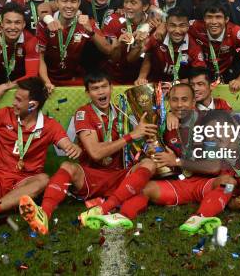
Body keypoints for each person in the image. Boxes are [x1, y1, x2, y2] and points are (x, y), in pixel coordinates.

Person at [18, 71, 158, 234]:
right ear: (88, 92)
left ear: (111, 88)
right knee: (68, 166)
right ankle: (44, 215)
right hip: (92, 177)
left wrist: (148, 144)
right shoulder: (83, 113)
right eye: (95, 88)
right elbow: (96, 153)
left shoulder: (123, 113)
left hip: (119, 176)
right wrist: (131, 136)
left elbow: (137, 148)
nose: (100, 92)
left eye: (104, 86)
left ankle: (104, 210)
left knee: (149, 164)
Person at [0, 77, 81, 232]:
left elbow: (65, 143)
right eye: (15, 98)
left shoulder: (50, 126)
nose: (14, 102)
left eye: (19, 100)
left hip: (24, 182)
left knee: (43, 179)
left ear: (32, 105)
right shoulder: (2, 115)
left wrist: (72, 147)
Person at [108, 84, 236, 235]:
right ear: (169, 103)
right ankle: (122, 216)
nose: (180, 104)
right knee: (144, 188)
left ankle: (200, 217)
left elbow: (214, 167)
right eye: (175, 100)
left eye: (184, 100)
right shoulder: (166, 126)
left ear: (194, 102)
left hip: (207, 183)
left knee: (229, 184)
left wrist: (176, 161)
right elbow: (161, 156)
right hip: (181, 183)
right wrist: (153, 153)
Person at [36, 0, 114, 89]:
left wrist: (91, 32)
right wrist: (47, 82)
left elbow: (108, 50)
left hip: (73, 79)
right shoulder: (45, 24)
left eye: (73, 2)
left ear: (79, 3)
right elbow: (40, 59)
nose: (69, 6)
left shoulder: (86, 22)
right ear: (56, 3)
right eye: (64, 1)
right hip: (47, 79)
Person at [189, 0, 240, 90]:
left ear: (226, 19)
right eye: (209, 17)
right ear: (204, 18)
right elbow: (174, 26)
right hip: (201, 72)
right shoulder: (194, 27)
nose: (213, 22)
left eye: (218, 17)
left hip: (227, 72)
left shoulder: (236, 32)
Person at [136, 6, 206, 85]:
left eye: (182, 25)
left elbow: (200, 75)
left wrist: (175, 84)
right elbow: (147, 55)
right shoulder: (157, 36)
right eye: (172, 25)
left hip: (182, 87)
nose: (177, 31)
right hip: (156, 85)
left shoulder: (194, 45)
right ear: (166, 25)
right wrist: (141, 77)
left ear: (188, 26)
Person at [102, 0, 155, 84]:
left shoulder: (153, 24)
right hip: (113, 78)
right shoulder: (113, 21)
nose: (127, 6)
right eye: (126, 1)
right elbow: (112, 58)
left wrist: (141, 46)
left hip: (140, 78)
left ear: (145, 6)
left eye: (133, 3)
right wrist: (118, 45)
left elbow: (148, 58)